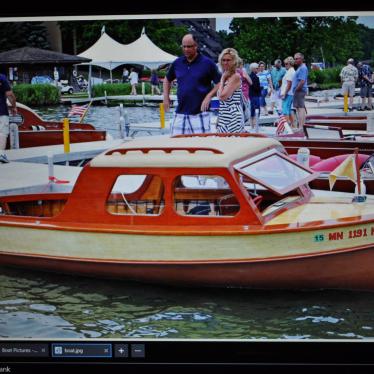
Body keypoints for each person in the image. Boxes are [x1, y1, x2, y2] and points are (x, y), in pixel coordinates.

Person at [163, 34, 221, 135]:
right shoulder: (177, 63)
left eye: (189, 46)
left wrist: (209, 96)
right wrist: (165, 97)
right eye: (184, 46)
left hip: (200, 114)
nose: (186, 49)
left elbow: (220, 83)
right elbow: (167, 80)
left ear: (196, 46)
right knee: (176, 146)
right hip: (180, 113)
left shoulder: (208, 63)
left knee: (201, 147)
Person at [216, 48, 245, 134]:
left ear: (234, 61)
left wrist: (222, 78)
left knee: (231, 145)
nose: (225, 62)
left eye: (228, 60)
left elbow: (222, 97)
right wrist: (219, 118)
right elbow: (223, 102)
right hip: (224, 115)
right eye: (223, 60)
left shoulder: (235, 77)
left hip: (233, 117)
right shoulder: (227, 76)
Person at [0, 73, 17, 157]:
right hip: (1, 111)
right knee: (2, 133)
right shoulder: (1, 78)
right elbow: (9, 95)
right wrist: (14, 107)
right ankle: (1, 154)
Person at [291, 52, 308, 130]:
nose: (295, 60)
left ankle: (301, 126)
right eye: (295, 59)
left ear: (301, 59)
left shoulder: (303, 68)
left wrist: (296, 90)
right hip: (298, 90)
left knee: (300, 108)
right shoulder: (300, 67)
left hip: (299, 90)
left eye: (297, 58)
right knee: (298, 108)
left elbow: (302, 81)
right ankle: (301, 126)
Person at [280, 56, 296, 127]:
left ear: (290, 64)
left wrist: (284, 93)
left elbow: (289, 85)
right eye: (284, 64)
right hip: (290, 93)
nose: (285, 65)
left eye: (286, 64)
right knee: (289, 110)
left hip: (288, 94)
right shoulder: (291, 71)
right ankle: (293, 125)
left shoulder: (290, 72)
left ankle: (287, 127)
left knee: (285, 110)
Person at [248, 63, 261, 129]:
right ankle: (256, 125)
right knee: (257, 109)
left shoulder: (250, 76)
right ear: (253, 69)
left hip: (251, 95)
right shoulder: (255, 77)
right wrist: (261, 87)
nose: (258, 69)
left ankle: (252, 125)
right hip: (255, 95)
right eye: (257, 68)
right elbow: (256, 87)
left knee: (252, 110)